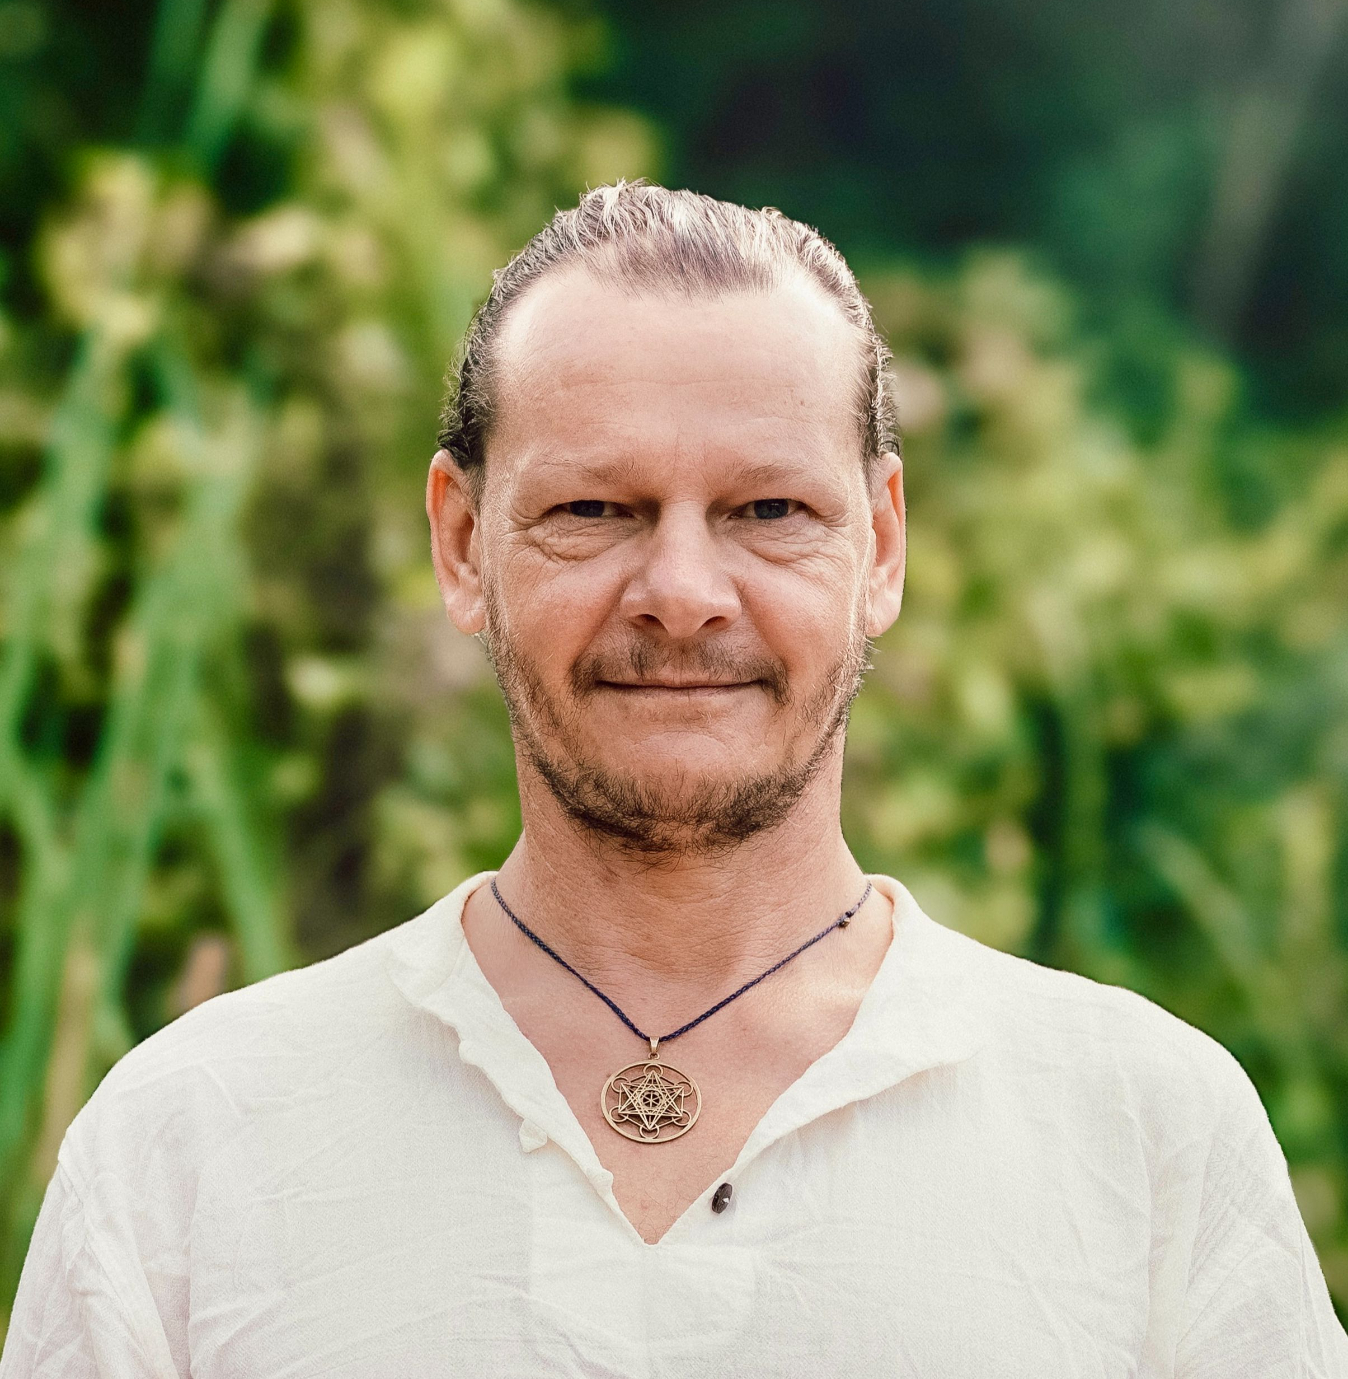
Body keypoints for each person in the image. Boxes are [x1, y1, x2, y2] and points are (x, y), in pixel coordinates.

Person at [2, 182, 1345, 1378]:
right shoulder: (196, 1142)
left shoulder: (1145, 1133)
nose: (685, 592)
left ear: (880, 547)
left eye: (770, 511)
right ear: (463, 545)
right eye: (595, 510)